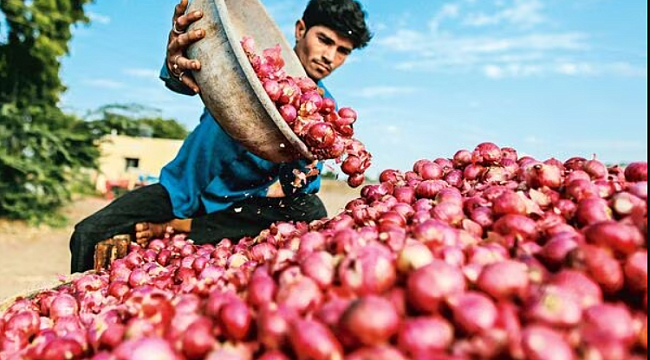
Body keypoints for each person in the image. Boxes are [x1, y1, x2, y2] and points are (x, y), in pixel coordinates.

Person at [68, 0, 372, 273]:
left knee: (310, 209)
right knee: (88, 233)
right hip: (180, 191)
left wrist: (303, 167)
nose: (329, 57)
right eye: (324, 40)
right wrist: (177, 62)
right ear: (300, 29)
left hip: (234, 209)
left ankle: (181, 229)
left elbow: (301, 188)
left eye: (342, 51)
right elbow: (187, 79)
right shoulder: (247, 65)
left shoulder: (325, 117)